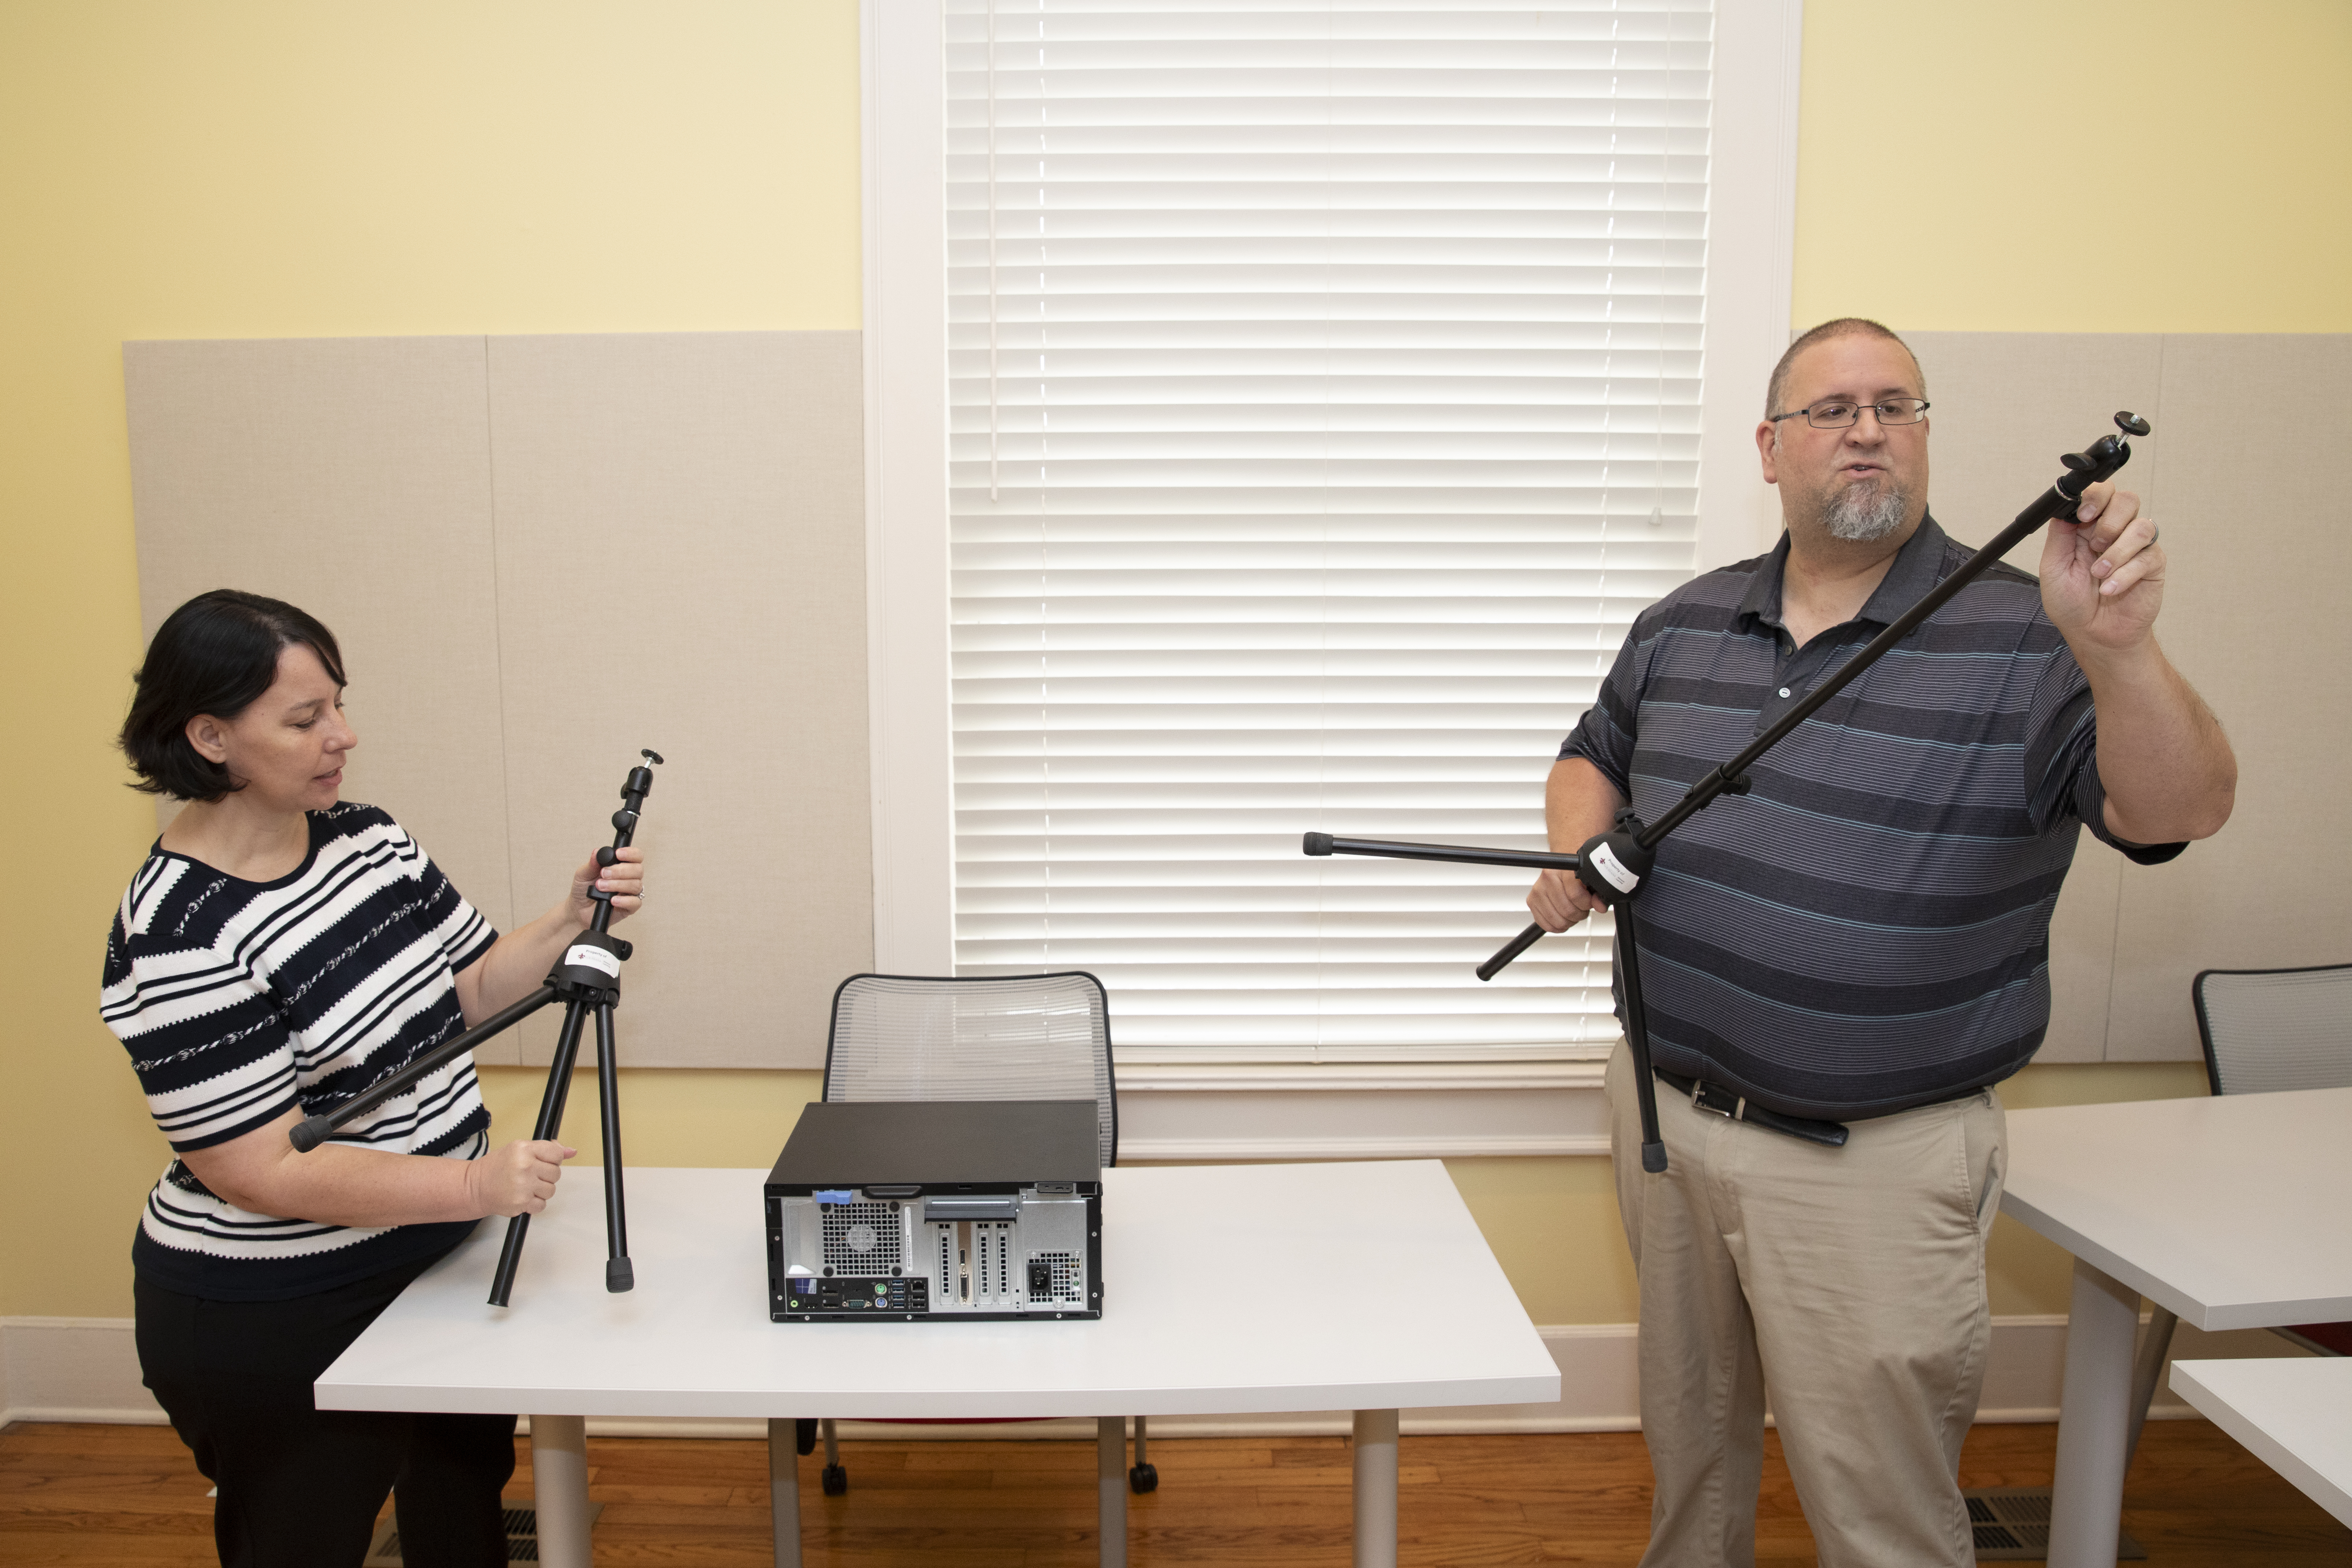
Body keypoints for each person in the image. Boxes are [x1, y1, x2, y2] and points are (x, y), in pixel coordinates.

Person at [1525, 320, 2235, 1567]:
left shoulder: (2034, 637)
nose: (1865, 429)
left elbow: (2177, 811)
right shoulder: (1682, 623)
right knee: (1690, 1467)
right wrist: (1573, 850)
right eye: (1832, 408)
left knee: (1883, 1515)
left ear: (1921, 437)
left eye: (1894, 406)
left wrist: (2118, 650)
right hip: (1666, 1125)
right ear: (1769, 447)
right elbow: (1593, 752)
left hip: (1872, 1164)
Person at [100, 589, 647, 1568]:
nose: (342, 736)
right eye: (306, 719)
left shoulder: (368, 839)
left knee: (458, 1509)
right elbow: (256, 1168)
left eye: (338, 706)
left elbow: (471, 991)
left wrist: (569, 916)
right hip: (272, 1305)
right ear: (211, 735)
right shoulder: (179, 931)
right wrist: (473, 1184)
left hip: (426, 1257)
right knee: (304, 1538)